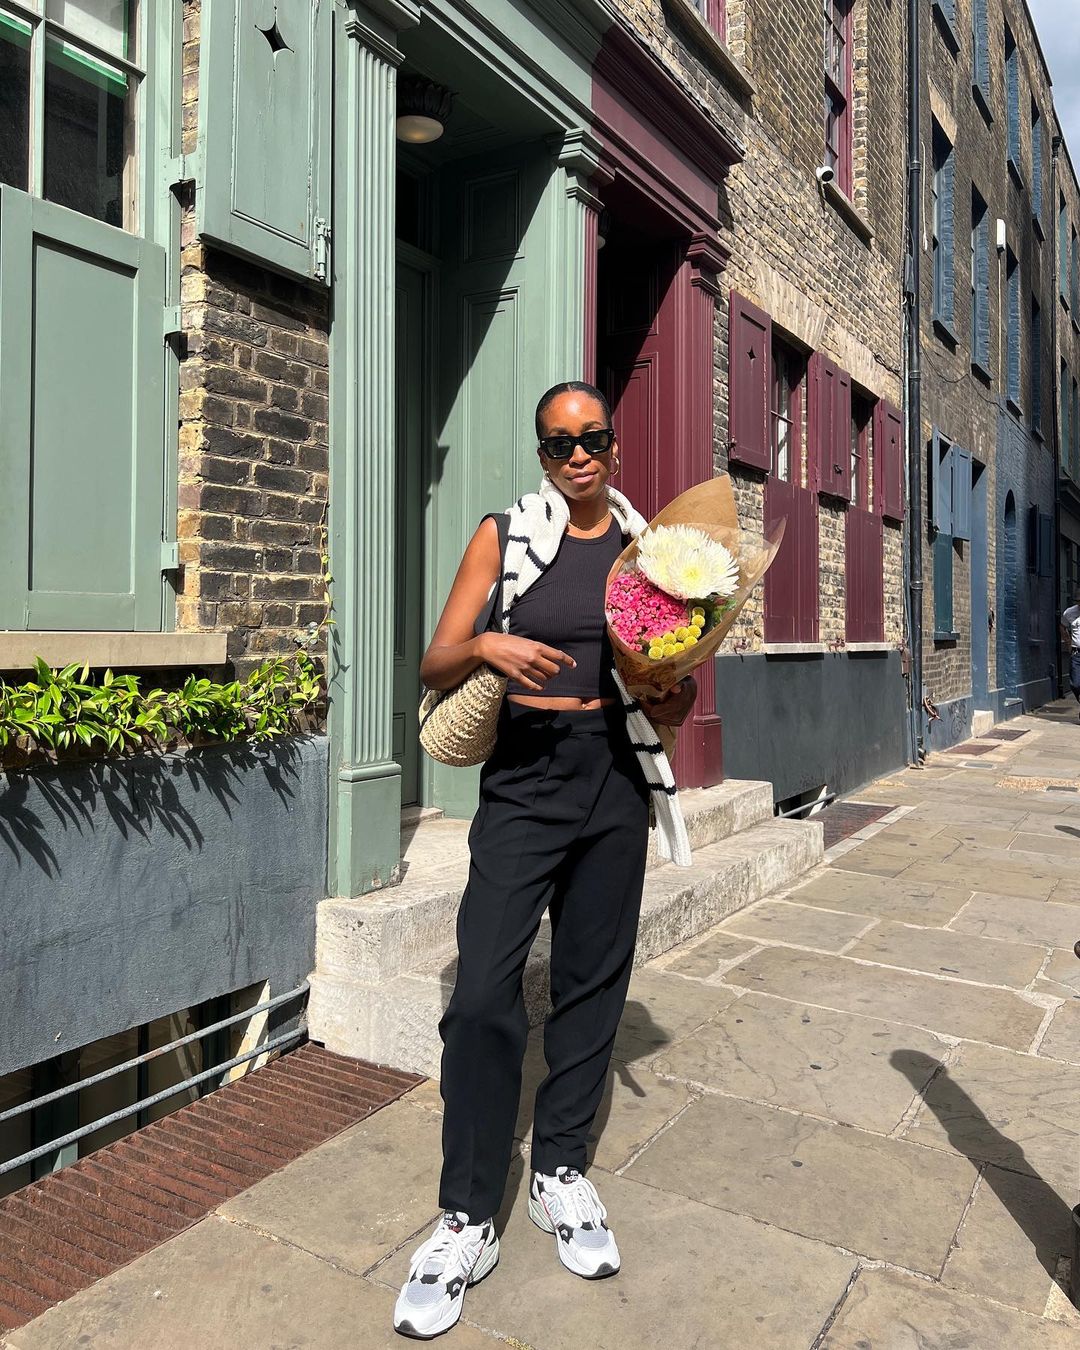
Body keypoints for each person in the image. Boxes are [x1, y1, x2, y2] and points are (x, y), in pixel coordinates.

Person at [393, 382, 696, 1340]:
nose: (578, 455)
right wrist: (489, 642)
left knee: (593, 982)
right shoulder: (505, 536)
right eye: (559, 443)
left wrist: (675, 697)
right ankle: (466, 1214)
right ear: (541, 454)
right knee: (483, 990)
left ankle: (560, 1167)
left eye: (591, 438)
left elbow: (674, 683)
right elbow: (434, 662)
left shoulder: (651, 552)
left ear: (613, 445)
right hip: (525, 782)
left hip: (613, 776)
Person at [1062, 595, 1080, 719]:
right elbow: (1062, 626)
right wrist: (1068, 643)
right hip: (1076, 654)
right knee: (1075, 684)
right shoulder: (1069, 612)